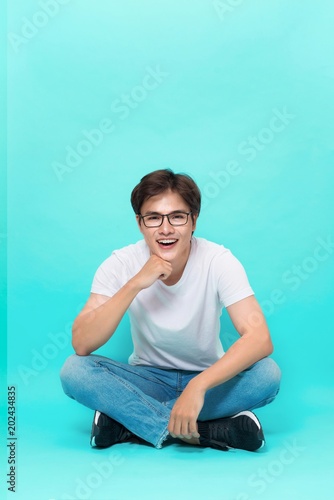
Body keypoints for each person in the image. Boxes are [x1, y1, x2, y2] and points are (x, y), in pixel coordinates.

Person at [60, 169, 281, 452]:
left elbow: (260, 338)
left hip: (208, 378)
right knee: (75, 371)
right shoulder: (121, 263)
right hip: (146, 380)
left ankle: (131, 425)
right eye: (153, 218)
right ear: (140, 224)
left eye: (177, 216)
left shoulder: (219, 261)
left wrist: (197, 387)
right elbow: (82, 342)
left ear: (194, 221)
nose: (165, 229)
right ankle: (202, 431)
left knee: (268, 374)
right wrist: (135, 283)